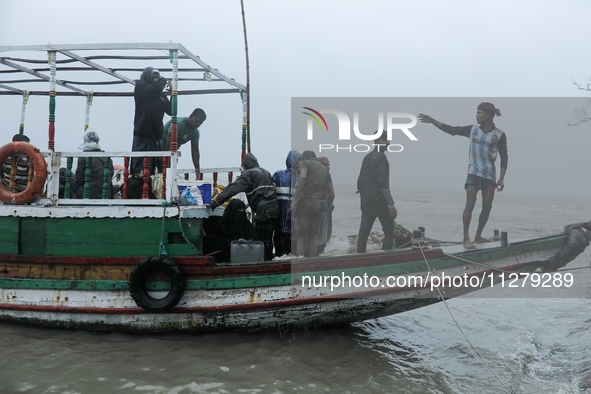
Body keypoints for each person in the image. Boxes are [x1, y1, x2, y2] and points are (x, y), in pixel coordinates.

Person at [418, 102, 508, 249]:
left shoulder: (499, 135)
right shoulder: (472, 130)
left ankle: (478, 236)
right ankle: (466, 238)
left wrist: (501, 179)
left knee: (487, 205)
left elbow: (504, 157)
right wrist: (433, 121)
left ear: (488, 115)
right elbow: (452, 130)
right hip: (473, 172)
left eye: (479, 113)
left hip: (489, 175)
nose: (476, 115)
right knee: (470, 202)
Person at [207, 153, 279, 260]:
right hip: (276, 209)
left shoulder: (249, 174)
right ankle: (271, 260)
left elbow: (232, 189)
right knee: (269, 238)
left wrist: (215, 203)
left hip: (264, 212)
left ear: (245, 165)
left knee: (262, 240)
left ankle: (265, 262)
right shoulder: (265, 172)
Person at [356, 132, 397, 253]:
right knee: (389, 232)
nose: (388, 142)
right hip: (380, 202)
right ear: (376, 141)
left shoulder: (367, 157)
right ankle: (385, 258)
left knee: (364, 231)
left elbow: (360, 182)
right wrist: (391, 204)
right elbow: (383, 184)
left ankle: (360, 256)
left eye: (389, 140)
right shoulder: (381, 158)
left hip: (367, 201)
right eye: (384, 140)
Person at [291, 150, 333, 257]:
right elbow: (332, 194)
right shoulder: (325, 170)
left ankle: (299, 265)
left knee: (300, 236)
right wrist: (327, 208)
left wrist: (295, 199)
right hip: (319, 206)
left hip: (306, 204)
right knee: (312, 237)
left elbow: (303, 176)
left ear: (305, 158)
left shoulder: (305, 163)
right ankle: (311, 265)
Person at [131, 67, 171, 177]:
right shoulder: (141, 87)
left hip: (156, 135)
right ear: (147, 77)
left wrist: (172, 94)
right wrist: (163, 81)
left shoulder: (161, 96)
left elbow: (171, 111)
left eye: (157, 78)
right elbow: (155, 89)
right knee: (139, 168)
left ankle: (154, 192)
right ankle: (137, 188)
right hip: (142, 132)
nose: (156, 80)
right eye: (153, 77)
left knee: (157, 168)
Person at [272, 150, 301, 257]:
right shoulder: (279, 175)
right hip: (284, 225)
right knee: (285, 253)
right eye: (299, 160)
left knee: (285, 254)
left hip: (285, 226)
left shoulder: (278, 175)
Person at [163, 108, 206, 179]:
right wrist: (170, 160)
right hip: (160, 148)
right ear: (191, 116)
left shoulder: (195, 133)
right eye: (197, 121)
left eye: (200, 123)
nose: (198, 124)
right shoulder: (178, 123)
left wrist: (197, 169)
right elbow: (169, 140)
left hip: (172, 154)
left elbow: (195, 150)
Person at [75, 129, 114, 199]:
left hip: (88, 194)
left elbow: (79, 180)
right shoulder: (107, 158)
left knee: (64, 174)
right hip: (105, 195)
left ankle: (74, 199)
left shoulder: (83, 156)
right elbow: (110, 178)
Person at [316, 156, 335, 255]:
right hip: (322, 209)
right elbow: (332, 194)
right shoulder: (320, 176)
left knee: (324, 236)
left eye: (328, 165)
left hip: (326, 209)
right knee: (320, 237)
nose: (328, 167)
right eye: (325, 164)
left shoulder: (326, 175)